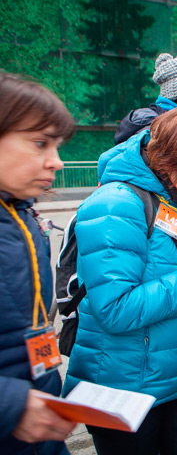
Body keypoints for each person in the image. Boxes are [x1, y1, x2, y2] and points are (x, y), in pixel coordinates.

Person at [64, 104, 177, 454]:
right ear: (171, 164)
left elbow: (172, 274)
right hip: (122, 387)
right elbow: (116, 310)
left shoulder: (173, 198)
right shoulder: (115, 205)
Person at [0, 73, 78, 454]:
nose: (57, 162)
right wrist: (10, 405)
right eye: (39, 143)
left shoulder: (21, 216)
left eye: (58, 146)